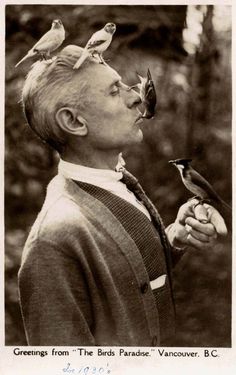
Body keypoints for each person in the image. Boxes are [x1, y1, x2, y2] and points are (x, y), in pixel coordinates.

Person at [18, 44, 227, 346]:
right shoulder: (53, 242)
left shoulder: (119, 183)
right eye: (115, 91)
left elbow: (129, 277)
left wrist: (174, 238)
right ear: (75, 122)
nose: (137, 97)